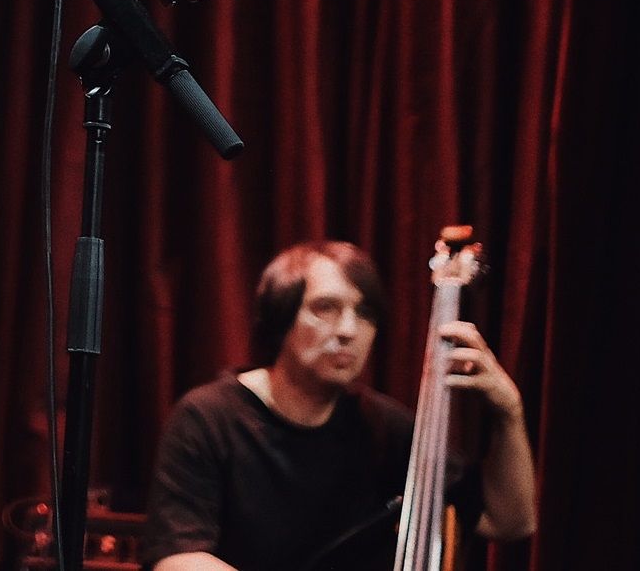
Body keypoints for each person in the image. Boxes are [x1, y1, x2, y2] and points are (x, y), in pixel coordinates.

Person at [138, 241, 538, 571]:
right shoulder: (207, 418)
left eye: (364, 313)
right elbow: (178, 559)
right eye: (325, 308)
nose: (348, 330)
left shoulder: (383, 426)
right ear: (280, 318)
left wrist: (509, 411)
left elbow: (509, 521)